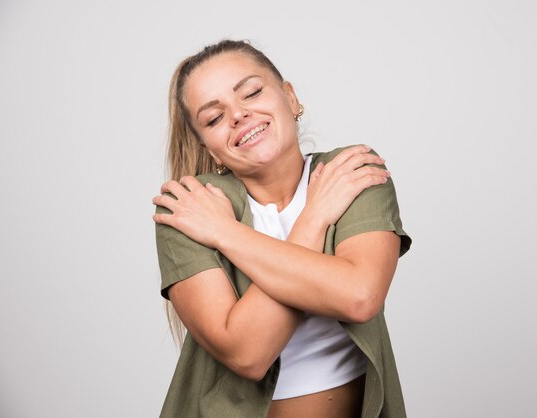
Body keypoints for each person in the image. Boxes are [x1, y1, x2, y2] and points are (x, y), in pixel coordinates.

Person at [152, 39, 411, 418]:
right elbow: (247, 353)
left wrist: (225, 234)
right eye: (214, 118)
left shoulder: (349, 173)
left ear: (290, 99)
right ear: (208, 146)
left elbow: (359, 296)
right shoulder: (190, 210)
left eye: (252, 92)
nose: (238, 115)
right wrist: (313, 220)